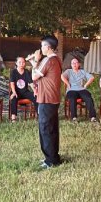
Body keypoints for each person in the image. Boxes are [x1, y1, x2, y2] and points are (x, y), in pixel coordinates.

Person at [32, 34, 63, 168]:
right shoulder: (57, 60)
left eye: (42, 45)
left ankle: (50, 161)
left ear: (48, 47)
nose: (41, 48)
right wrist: (36, 63)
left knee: (45, 129)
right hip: (53, 98)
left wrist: (35, 60)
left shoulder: (48, 60)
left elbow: (34, 76)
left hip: (46, 98)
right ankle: (54, 157)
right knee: (52, 128)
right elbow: (41, 74)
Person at [61, 57, 97, 122]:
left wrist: (86, 85)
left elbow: (92, 77)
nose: (74, 64)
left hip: (81, 89)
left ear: (79, 64)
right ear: (71, 65)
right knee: (72, 98)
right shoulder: (68, 71)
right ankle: (74, 117)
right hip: (71, 90)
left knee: (88, 97)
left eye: (76, 63)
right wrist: (68, 84)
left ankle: (93, 117)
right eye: (73, 63)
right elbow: (62, 76)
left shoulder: (82, 71)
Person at [9, 56, 37, 121]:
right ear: (16, 63)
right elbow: (12, 83)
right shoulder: (13, 72)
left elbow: (31, 83)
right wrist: (14, 92)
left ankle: (38, 115)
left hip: (25, 92)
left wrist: (35, 91)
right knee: (13, 98)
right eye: (20, 62)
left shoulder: (27, 72)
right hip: (16, 92)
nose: (22, 64)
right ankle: (13, 118)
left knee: (36, 96)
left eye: (23, 62)